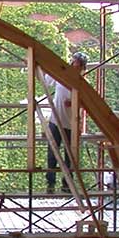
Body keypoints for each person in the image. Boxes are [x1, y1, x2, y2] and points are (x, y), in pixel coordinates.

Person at [42, 52, 88, 193]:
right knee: (52, 153)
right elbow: (47, 80)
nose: (76, 66)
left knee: (70, 156)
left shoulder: (81, 83)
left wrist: (75, 102)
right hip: (56, 121)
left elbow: (86, 102)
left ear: (82, 67)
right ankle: (50, 183)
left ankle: (66, 184)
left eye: (79, 65)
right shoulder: (61, 76)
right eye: (74, 63)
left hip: (71, 124)